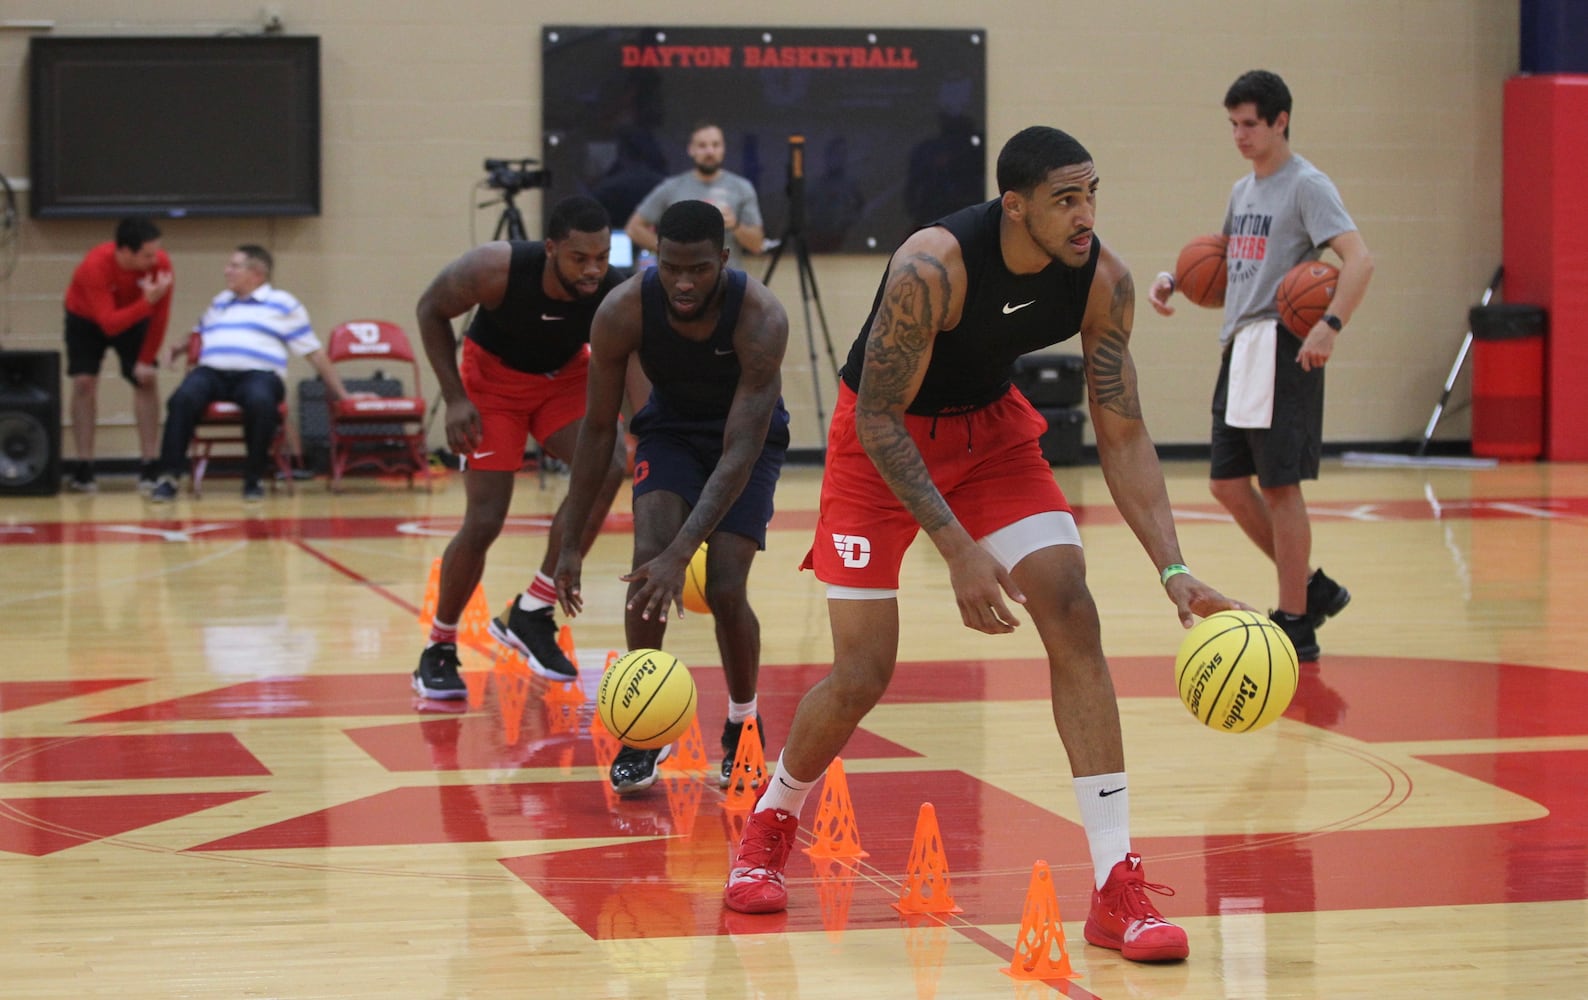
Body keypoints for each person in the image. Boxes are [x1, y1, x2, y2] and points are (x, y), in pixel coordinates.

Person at [721, 127, 1248, 965]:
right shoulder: (932, 267)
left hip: (992, 440)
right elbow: (884, 418)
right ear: (1015, 205)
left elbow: (1123, 433)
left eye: (1092, 195)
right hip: (879, 444)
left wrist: (1174, 569)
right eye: (1066, 200)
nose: (1086, 216)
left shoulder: (1100, 280)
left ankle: (1117, 887)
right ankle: (772, 820)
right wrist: (958, 547)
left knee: (1072, 608)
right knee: (863, 672)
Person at [555, 199, 790, 795]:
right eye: (671, 267)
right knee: (645, 565)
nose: (683, 283)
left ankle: (743, 723)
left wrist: (685, 552)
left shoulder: (761, 316)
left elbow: (739, 451)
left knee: (726, 584)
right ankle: (644, 728)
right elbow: (598, 429)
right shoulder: (622, 311)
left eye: (700, 269)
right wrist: (570, 542)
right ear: (654, 258)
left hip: (748, 442)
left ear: (725, 260)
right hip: (672, 431)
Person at [1147, 70, 1374, 661]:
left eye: (1250, 124)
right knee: (1225, 483)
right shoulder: (1242, 191)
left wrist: (1329, 326)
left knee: (1279, 486)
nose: (1240, 135)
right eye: (1233, 125)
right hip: (1238, 345)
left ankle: (1296, 617)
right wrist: (1175, 280)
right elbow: (1221, 265)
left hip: (1283, 345)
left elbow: (1359, 260)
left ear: (1280, 121)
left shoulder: (1308, 186)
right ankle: (1313, 588)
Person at [410, 196, 629, 700]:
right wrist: (454, 398)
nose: (593, 269)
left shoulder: (614, 289)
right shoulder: (495, 268)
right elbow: (430, 309)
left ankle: (533, 608)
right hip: (491, 385)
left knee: (610, 464)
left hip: (565, 379)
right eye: (580, 258)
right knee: (485, 519)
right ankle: (439, 646)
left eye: (601, 256)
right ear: (550, 248)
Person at [148, 245, 347, 503]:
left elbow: (314, 352)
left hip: (259, 374)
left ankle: (253, 478)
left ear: (256, 273)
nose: (226, 271)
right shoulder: (221, 301)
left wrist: (342, 393)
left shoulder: (283, 303)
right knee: (182, 399)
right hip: (212, 373)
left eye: (234, 266)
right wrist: (179, 347)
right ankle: (168, 478)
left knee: (260, 401)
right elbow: (199, 333)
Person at [63, 216, 174, 493]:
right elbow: (109, 323)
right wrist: (147, 301)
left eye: (155, 252)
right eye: (147, 255)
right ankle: (84, 466)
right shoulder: (95, 266)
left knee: (145, 380)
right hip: (87, 318)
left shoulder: (160, 264)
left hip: (136, 316)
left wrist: (146, 359)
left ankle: (149, 462)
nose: (154, 259)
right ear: (124, 251)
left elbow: (160, 316)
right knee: (83, 383)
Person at [625, 122, 765, 271]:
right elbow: (633, 228)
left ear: (723, 149)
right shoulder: (671, 187)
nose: (709, 151)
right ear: (691, 150)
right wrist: (671, 251)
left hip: (728, 279)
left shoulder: (742, 188)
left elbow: (757, 245)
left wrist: (735, 225)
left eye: (715, 145)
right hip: (681, 279)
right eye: (702, 146)